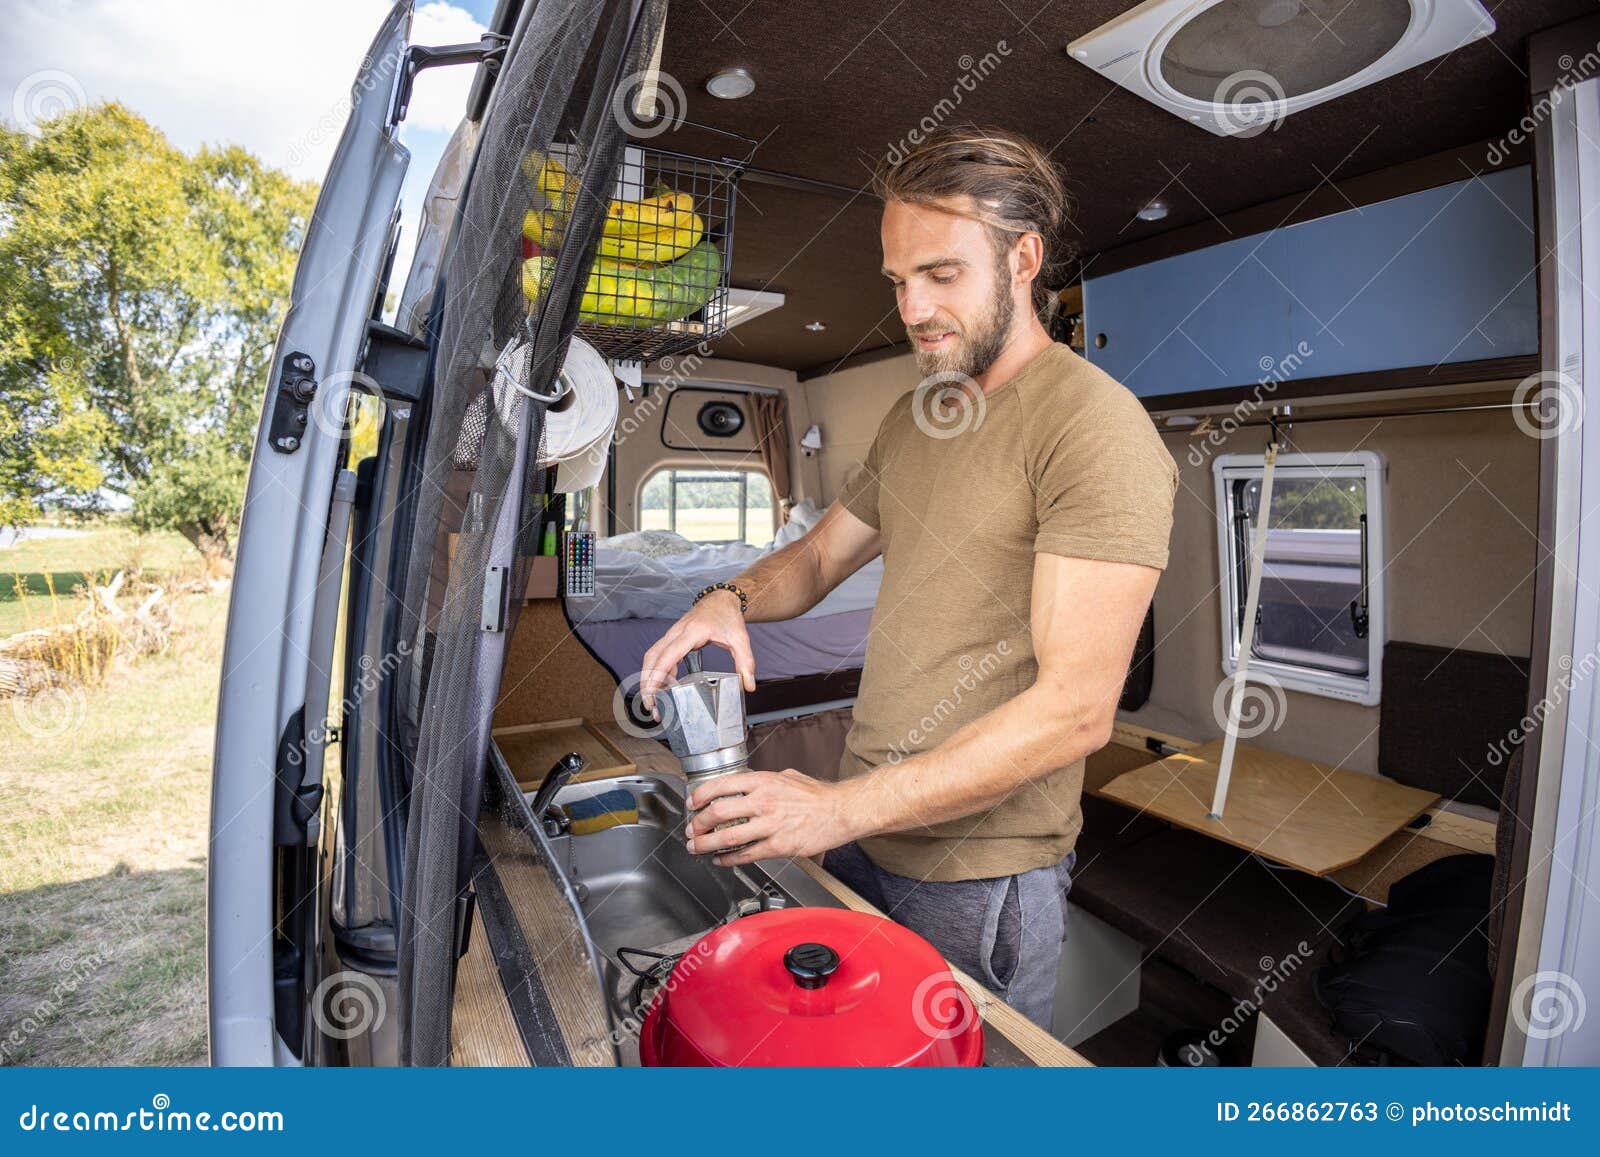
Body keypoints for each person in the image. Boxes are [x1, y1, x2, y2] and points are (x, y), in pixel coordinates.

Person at [638, 124, 1177, 1029]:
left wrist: (837, 807)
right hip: (860, 839)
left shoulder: (1095, 426)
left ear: (1023, 259)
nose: (914, 308)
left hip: (978, 876)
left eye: (942, 274)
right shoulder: (919, 412)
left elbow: (1077, 710)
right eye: (899, 280)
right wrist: (723, 601)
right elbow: (816, 555)